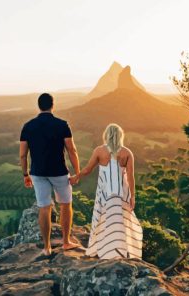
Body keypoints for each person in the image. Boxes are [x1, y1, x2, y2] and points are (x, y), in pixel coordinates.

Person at [19, 93, 80, 255]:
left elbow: (23, 154)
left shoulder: (28, 126)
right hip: (59, 172)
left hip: (37, 173)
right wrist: (77, 172)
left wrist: (25, 174)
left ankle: (47, 247)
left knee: (44, 208)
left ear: (39, 106)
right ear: (53, 105)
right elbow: (71, 150)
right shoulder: (62, 125)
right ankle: (66, 242)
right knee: (66, 205)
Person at [71, 123, 143, 259]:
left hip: (105, 192)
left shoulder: (99, 151)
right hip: (122, 192)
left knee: (102, 219)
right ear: (120, 136)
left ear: (106, 135)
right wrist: (133, 196)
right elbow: (131, 177)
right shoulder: (127, 153)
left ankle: (103, 251)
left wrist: (76, 176)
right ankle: (120, 252)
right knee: (120, 221)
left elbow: (87, 170)